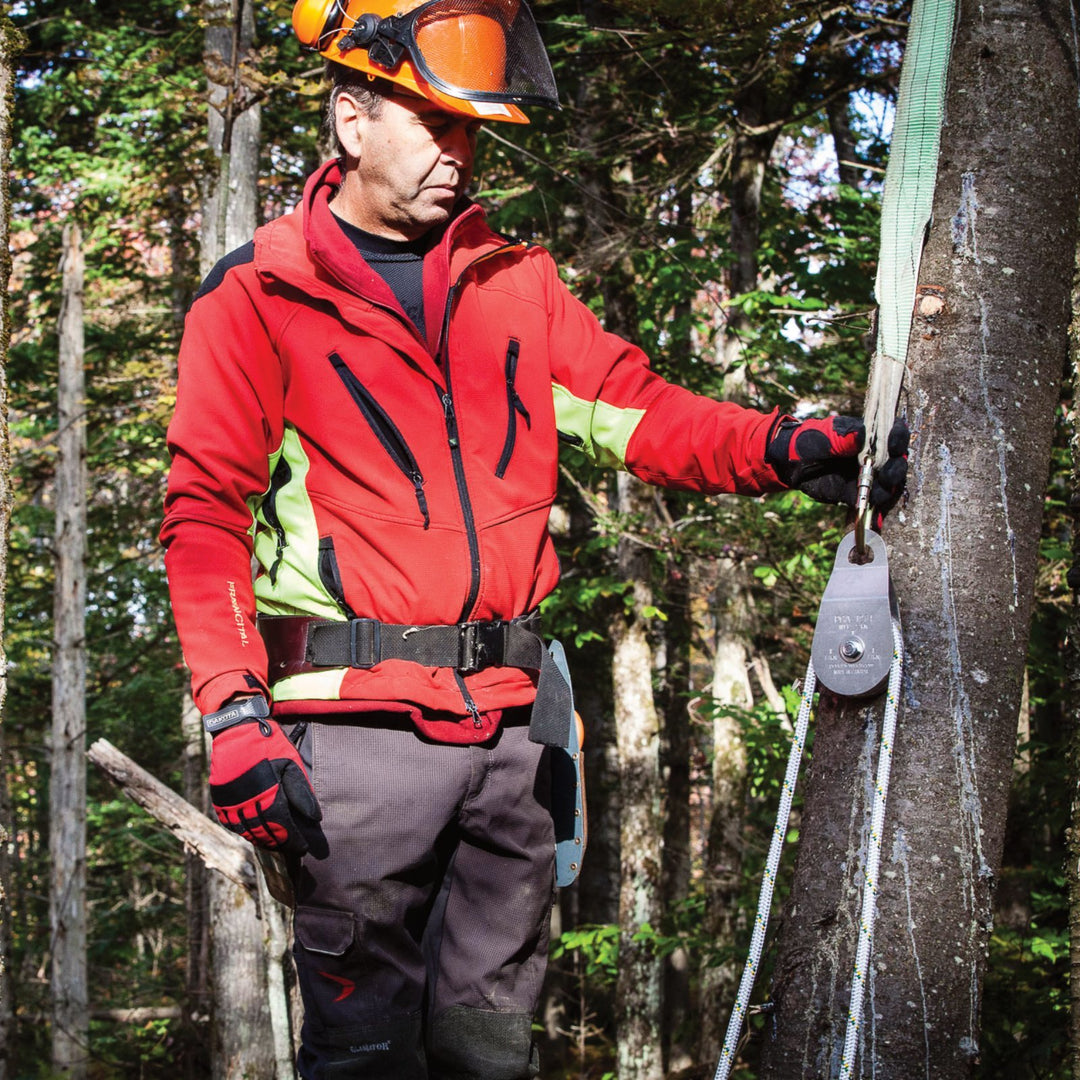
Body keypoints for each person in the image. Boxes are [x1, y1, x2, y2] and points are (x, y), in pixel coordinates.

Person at [160, 1, 908, 1076]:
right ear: (351, 119)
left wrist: (781, 448)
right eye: (432, 124)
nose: (456, 156)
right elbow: (204, 519)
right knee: (364, 1052)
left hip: (513, 740)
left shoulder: (515, 286)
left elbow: (638, 411)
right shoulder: (261, 294)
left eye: (470, 132)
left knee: (492, 1050)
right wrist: (234, 713)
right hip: (354, 745)